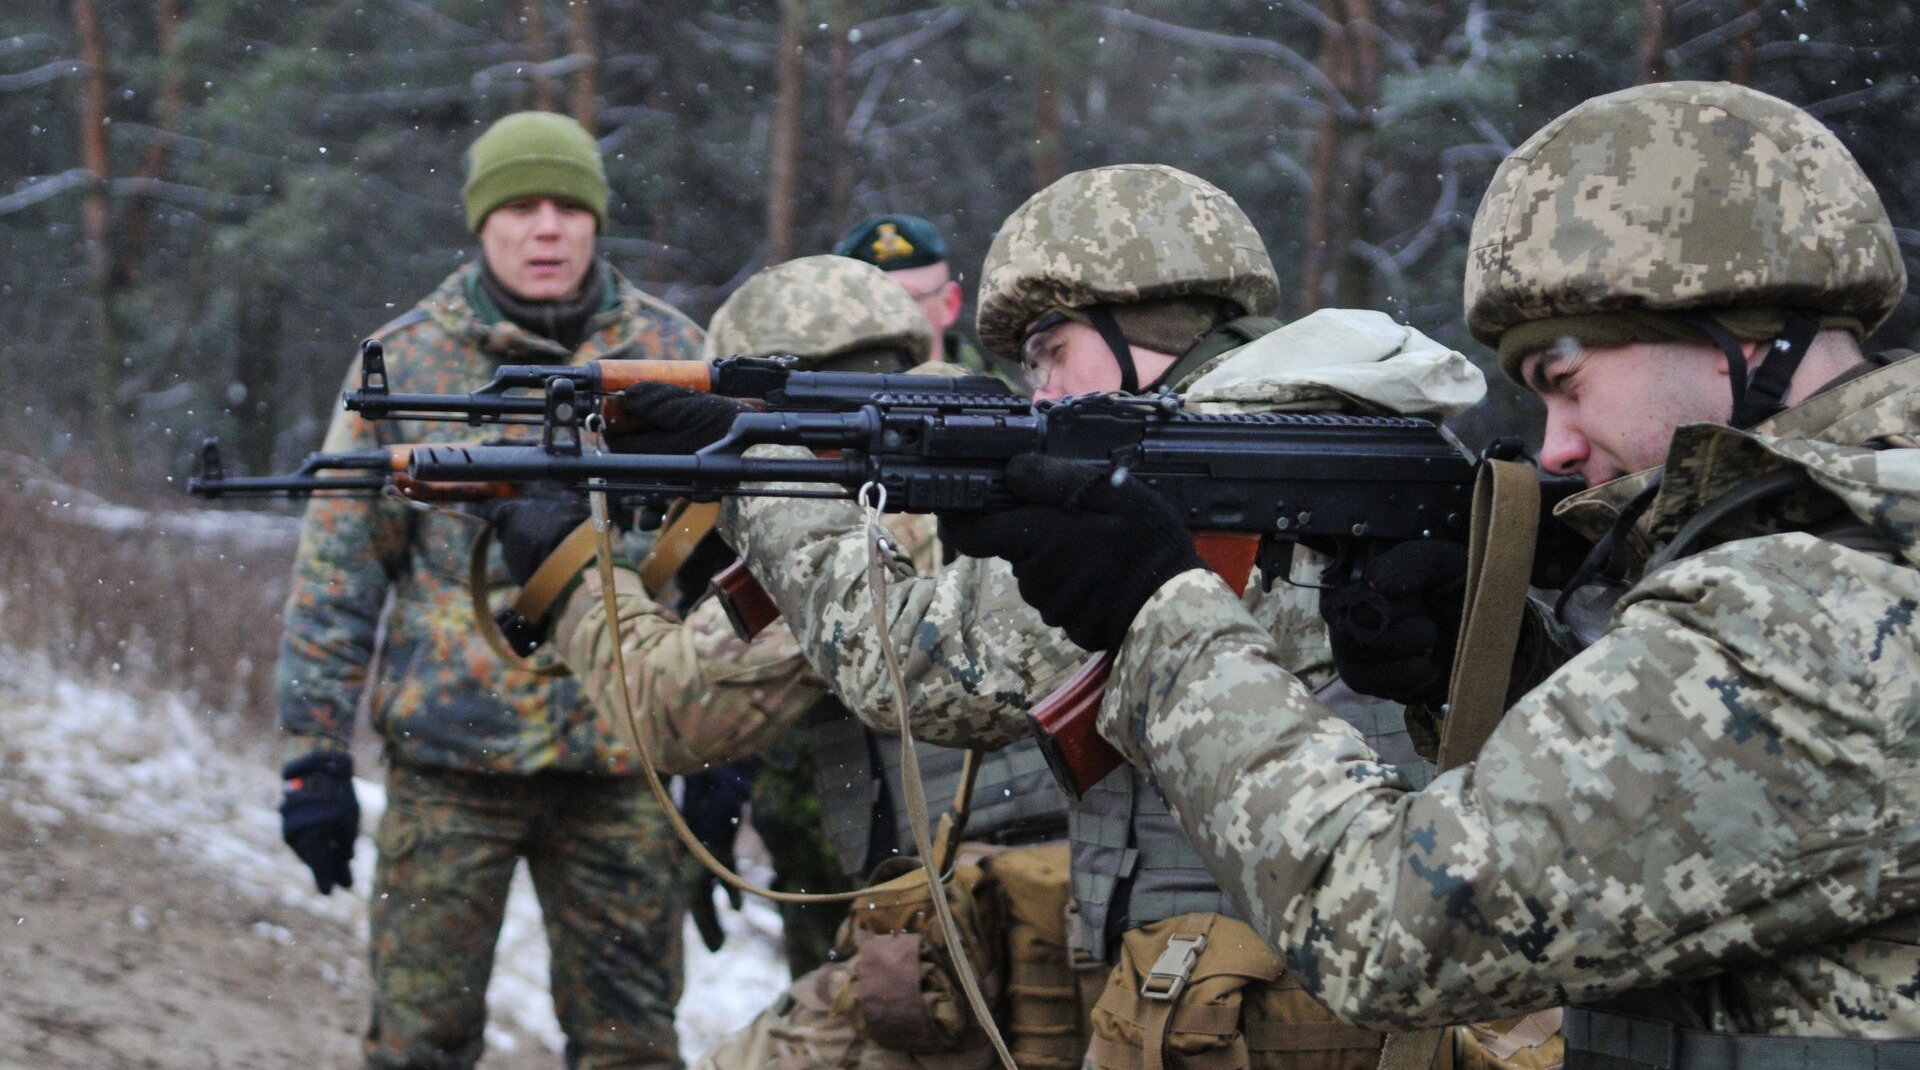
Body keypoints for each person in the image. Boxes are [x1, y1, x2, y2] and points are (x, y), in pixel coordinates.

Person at [946, 82, 1920, 1063]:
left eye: (1563, 381)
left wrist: (1158, 617)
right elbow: (1694, 845)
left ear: (1734, 332)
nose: (1561, 447)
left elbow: (1387, 929)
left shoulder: (1819, 610)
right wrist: (1490, 663)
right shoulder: (1848, 559)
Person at [629, 165, 1530, 1068]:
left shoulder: (1212, 471)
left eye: (1049, 350)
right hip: (1252, 994)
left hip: (1266, 1007)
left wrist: (767, 476)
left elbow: (907, 668)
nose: (1040, 391)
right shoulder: (1330, 432)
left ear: (1137, 326)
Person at [487, 254, 1081, 1069]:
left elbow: (674, 710)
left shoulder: (875, 503)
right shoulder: (979, 447)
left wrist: (569, 575)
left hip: (1004, 942)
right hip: (1024, 919)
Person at [274, 110, 703, 1069]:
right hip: (448, 767)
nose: (544, 228)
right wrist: (313, 755)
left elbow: (722, 559)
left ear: (596, 221)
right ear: (481, 222)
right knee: (419, 1040)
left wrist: (726, 754)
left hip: (624, 762)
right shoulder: (408, 363)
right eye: (519, 206)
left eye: (565, 206)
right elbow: (338, 572)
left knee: (633, 1045)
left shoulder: (673, 355)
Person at [834, 212, 1018, 384]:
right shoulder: (819, 400)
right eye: (868, 304)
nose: (886, 318)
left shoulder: (1002, 403)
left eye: (906, 300)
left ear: (949, 304)